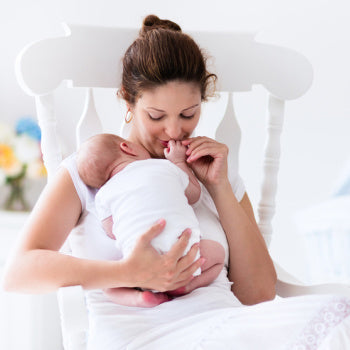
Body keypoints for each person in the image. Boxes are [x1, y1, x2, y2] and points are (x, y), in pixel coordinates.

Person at [3, 14, 350, 350]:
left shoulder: (214, 169)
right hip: (141, 336)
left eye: (188, 114)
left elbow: (258, 293)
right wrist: (125, 271)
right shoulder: (92, 169)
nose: (174, 131)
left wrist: (219, 187)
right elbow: (19, 272)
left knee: (341, 316)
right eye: (156, 116)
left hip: (225, 326)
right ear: (128, 100)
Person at [76, 133, 225, 307]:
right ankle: (186, 286)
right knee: (218, 255)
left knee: (108, 286)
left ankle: (139, 298)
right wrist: (179, 163)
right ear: (127, 147)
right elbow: (193, 195)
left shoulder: (102, 195)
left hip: (139, 264)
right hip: (186, 257)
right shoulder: (164, 167)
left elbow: (111, 231)